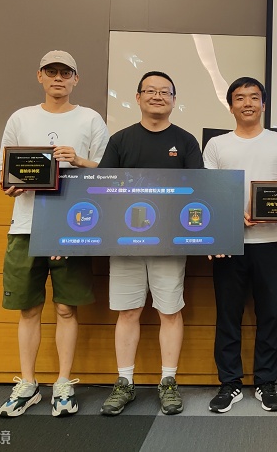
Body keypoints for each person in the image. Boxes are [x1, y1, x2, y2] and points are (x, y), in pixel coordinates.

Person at [0, 50, 110, 417]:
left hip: (73, 227)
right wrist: (10, 185)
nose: (58, 78)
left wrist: (78, 160)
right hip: (25, 226)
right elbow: (3, 173)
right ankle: (27, 383)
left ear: (76, 79)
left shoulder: (90, 119)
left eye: (65, 72)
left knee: (65, 307)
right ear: (40, 76)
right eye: (51, 71)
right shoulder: (20, 118)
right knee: (28, 308)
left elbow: (107, 173)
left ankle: (63, 382)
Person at [98, 71, 203, 416]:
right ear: (138, 97)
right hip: (125, 243)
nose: (157, 96)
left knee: (169, 311)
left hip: (169, 245)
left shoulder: (186, 141)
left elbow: (199, 191)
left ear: (174, 99)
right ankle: (124, 383)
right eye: (150, 91)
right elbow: (103, 188)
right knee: (128, 312)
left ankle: (168, 381)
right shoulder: (120, 140)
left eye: (165, 92)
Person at [203, 77, 277, 413]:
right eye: (240, 98)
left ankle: (266, 382)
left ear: (263, 104)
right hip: (230, 243)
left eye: (254, 97)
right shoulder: (216, 144)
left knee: (269, 315)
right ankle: (229, 383)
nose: (247, 103)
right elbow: (210, 192)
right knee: (228, 315)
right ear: (231, 106)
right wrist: (232, 217)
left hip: (269, 242)